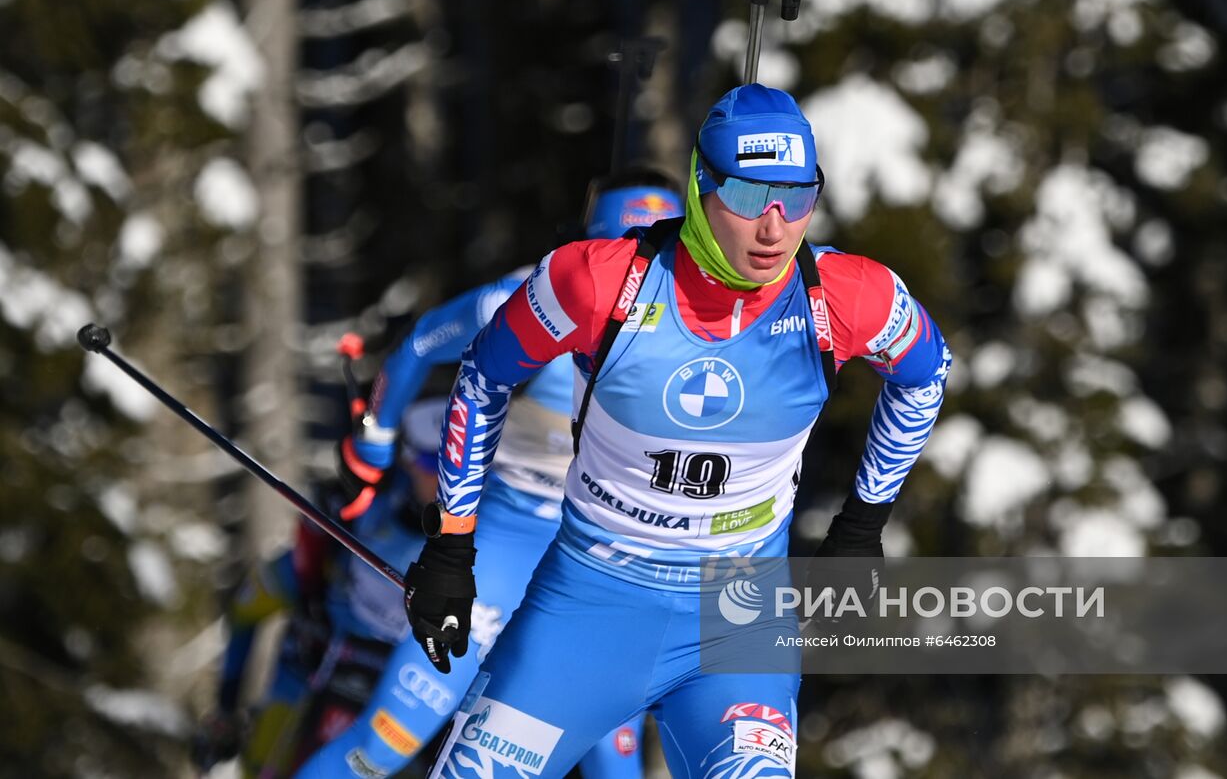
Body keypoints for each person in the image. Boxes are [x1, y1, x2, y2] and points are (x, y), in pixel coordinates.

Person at [406, 83, 953, 778]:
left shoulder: (847, 296)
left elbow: (925, 377)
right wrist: (452, 547)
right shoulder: (597, 282)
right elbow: (483, 377)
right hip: (588, 607)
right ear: (701, 187)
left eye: (799, 198)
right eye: (751, 197)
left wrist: (861, 525)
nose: (774, 227)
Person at [300, 169, 685, 778]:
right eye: (614, 256)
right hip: (496, 557)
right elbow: (423, 342)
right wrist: (370, 452)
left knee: (615, 768)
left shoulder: (716, 326)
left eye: (656, 258)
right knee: (378, 748)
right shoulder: (545, 292)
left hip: (608, 570)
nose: (631, 280)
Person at [195, 402, 455, 777]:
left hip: (404, 707)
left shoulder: (490, 536)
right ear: (411, 459)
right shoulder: (364, 514)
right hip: (312, 687)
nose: (448, 484)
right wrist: (226, 706)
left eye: (465, 472)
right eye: (433, 466)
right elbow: (249, 605)